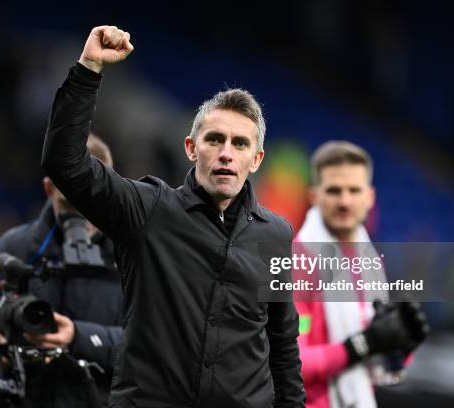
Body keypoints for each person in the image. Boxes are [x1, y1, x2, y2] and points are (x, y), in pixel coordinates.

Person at [41, 25, 305, 408]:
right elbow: (66, 164)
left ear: (256, 159)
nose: (227, 153)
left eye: (240, 143)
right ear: (191, 149)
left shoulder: (276, 235)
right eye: (215, 139)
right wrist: (89, 68)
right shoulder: (148, 209)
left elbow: (282, 345)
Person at [0, 135, 122, 407]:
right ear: (48, 189)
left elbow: (162, 346)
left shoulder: (135, 254)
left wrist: (80, 337)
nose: (81, 218)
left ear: (111, 189)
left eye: (90, 203)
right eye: (69, 204)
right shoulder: (16, 247)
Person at [293, 141, 429, 408]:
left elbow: (377, 368)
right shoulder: (295, 262)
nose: (344, 201)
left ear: (369, 197)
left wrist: (400, 346)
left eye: (353, 190)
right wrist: (363, 344)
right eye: (334, 190)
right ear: (314, 197)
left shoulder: (368, 262)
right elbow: (290, 363)